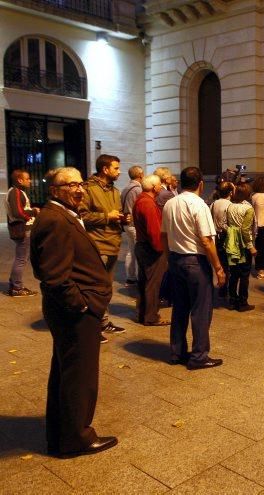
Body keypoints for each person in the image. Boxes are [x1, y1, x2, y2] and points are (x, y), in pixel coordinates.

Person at [30, 167, 117, 458]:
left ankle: (60, 435)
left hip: (75, 310)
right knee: (79, 376)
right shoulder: (55, 219)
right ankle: (77, 438)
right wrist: (82, 305)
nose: (79, 190)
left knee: (66, 373)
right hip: (75, 313)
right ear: (55, 191)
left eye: (80, 184)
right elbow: (53, 275)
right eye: (70, 186)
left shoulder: (63, 215)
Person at [161, 167, 226, 369]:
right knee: (201, 310)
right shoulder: (199, 205)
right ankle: (199, 356)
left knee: (180, 308)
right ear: (200, 183)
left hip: (175, 260)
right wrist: (218, 268)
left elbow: (163, 235)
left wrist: (168, 258)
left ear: (180, 183)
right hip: (195, 262)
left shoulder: (169, 204)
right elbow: (207, 241)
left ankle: (177, 352)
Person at [78, 154, 127, 337]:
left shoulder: (114, 190)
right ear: (105, 169)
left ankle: (103, 322)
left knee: (106, 288)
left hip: (113, 243)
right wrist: (108, 217)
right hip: (98, 244)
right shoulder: (88, 189)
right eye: (116, 168)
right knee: (95, 289)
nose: (119, 171)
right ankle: (92, 326)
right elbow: (82, 216)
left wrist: (123, 218)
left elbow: (117, 213)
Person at [132, 174, 169, 326]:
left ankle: (143, 313)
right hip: (150, 248)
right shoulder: (147, 203)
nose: (161, 186)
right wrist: (161, 250)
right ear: (154, 187)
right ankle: (150, 316)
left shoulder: (142, 200)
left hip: (143, 246)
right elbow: (154, 231)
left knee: (145, 282)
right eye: (160, 184)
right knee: (153, 284)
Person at [5, 169, 39, 297]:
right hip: (23, 229)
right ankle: (17, 288)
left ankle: (13, 285)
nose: (29, 181)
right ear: (20, 180)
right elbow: (18, 212)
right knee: (21, 259)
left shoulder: (15, 192)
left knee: (20, 258)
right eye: (27, 178)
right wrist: (33, 212)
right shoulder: (16, 192)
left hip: (19, 228)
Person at [225, 182, 257, 311]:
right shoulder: (248, 209)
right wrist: (251, 247)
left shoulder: (230, 207)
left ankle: (232, 300)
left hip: (232, 242)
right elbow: (245, 229)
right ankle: (243, 302)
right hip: (243, 244)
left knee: (234, 273)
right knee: (244, 274)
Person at [210, 181, 234, 298]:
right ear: (230, 192)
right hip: (226, 236)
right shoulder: (230, 205)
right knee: (228, 264)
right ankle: (225, 289)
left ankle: (221, 289)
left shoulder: (213, 204)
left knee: (221, 263)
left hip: (216, 237)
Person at [120, 165, 143, 286]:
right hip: (134, 225)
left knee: (131, 251)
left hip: (126, 224)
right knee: (139, 251)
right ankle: (140, 278)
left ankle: (130, 277)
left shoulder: (126, 188)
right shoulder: (138, 189)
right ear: (140, 175)